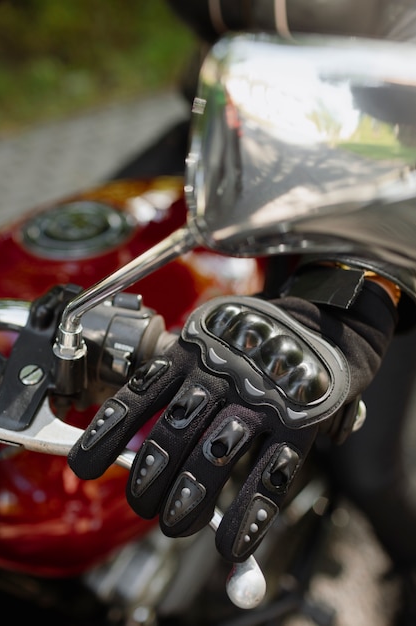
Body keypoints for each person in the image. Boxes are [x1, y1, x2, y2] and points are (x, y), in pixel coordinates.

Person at [69, 2, 416, 623]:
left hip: (387, 166)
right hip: (226, 136)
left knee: (364, 463)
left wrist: (351, 289)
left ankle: (406, 563)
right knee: (68, 270)